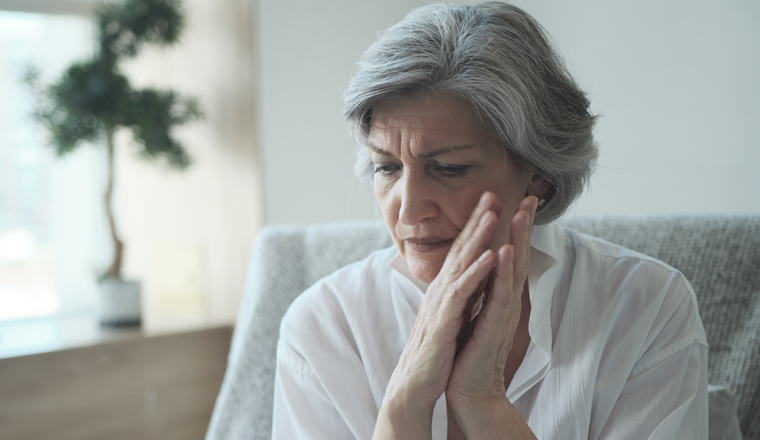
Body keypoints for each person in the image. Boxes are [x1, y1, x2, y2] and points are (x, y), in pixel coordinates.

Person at [272, 2, 708, 439]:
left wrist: (481, 400)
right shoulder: (323, 325)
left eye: (448, 168)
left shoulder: (646, 307)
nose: (407, 211)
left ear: (538, 174)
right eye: (387, 168)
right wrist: (403, 408)